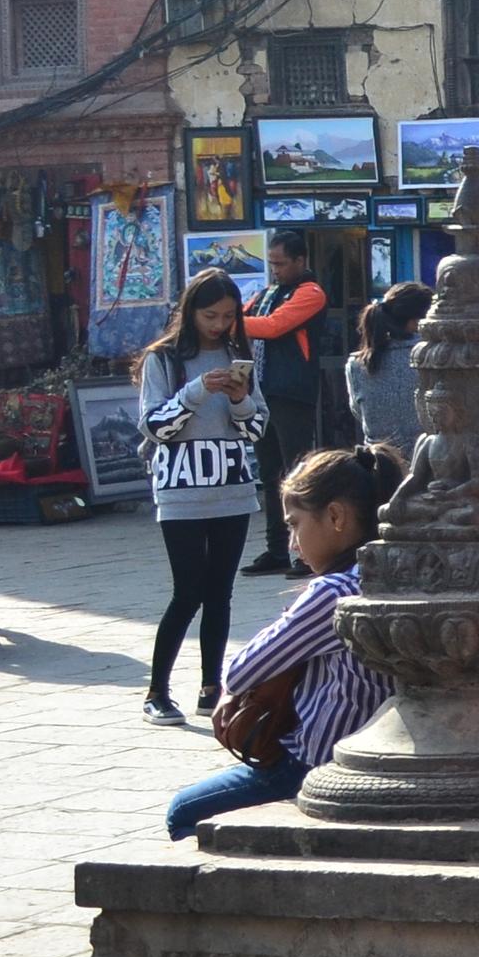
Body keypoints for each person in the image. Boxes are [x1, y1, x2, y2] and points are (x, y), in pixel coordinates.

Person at [169, 444, 401, 837]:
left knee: (183, 811)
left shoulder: (334, 592)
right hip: (386, 756)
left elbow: (241, 672)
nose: (293, 543)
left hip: (315, 766)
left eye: (294, 525)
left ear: (335, 517)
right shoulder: (398, 571)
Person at [138, 270, 267, 725]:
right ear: (190, 311)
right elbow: (155, 426)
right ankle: (157, 691)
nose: (219, 324)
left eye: (228, 316)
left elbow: (255, 429)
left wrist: (239, 399)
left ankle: (211, 686)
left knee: (221, 593)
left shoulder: (240, 356)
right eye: (210, 315)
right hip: (181, 493)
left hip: (233, 490)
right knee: (187, 591)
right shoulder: (164, 360)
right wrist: (196, 391)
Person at [241, 233, 336, 575]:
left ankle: (306, 553)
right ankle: (276, 550)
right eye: (272, 264)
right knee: (269, 474)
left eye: (281, 264)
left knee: (297, 474)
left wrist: (223, 321)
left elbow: (273, 326)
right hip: (262, 393)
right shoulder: (267, 294)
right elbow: (247, 316)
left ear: (300, 261)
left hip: (291, 392)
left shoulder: (311, 293)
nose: (275, 270)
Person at [348, 281, 432, 454]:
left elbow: (358, 411)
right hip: (428, 463)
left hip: (379, 466)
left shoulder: (357, 364)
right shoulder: (433, 357)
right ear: (416, 322)